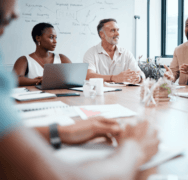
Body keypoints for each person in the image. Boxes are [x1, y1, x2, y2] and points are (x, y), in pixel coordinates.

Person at [0, 1, 159, 179]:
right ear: (102, 34)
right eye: (51, 37)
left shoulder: (63, 57)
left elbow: (78, 75)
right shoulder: (25, 59)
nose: (16, 13)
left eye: (56, 37)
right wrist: (134, 150)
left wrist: (64, 131)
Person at [83, 18, 145, 84]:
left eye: (118, 30)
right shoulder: (91, 53)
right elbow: (88, 76)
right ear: (102, 34)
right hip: (100, 93)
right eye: (113, 30)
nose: (117, 34)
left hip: (123, 93)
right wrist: (114, 78)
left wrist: (139, 78)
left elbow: (140, 73)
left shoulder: (126, 53)